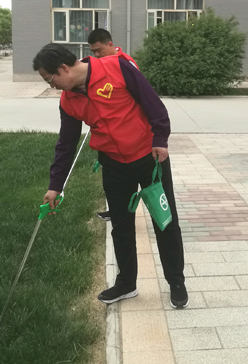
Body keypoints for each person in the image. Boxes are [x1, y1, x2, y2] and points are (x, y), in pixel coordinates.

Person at [34, 43, 188, 308]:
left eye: (50, 79)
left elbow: (154, 105)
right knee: (121, 226)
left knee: (165, 222)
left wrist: (160, 139)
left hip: (150, 159)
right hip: (114, 165)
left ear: (63, 68)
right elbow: (66, 144)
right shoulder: (68, 101)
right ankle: (126, 283)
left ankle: (176, 281)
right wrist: (55, 185)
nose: (52, 86)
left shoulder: (117, 68)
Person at [87, 28, 137, 221]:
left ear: (110, 44)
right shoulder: (98, 66)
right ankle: (116, 210)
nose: (96, 55)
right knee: (112, 179)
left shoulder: (126, 64)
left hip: (129, 134)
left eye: (99, 50)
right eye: (93, 52)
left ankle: (125, 213)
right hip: (108, 135)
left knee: (128, 181)